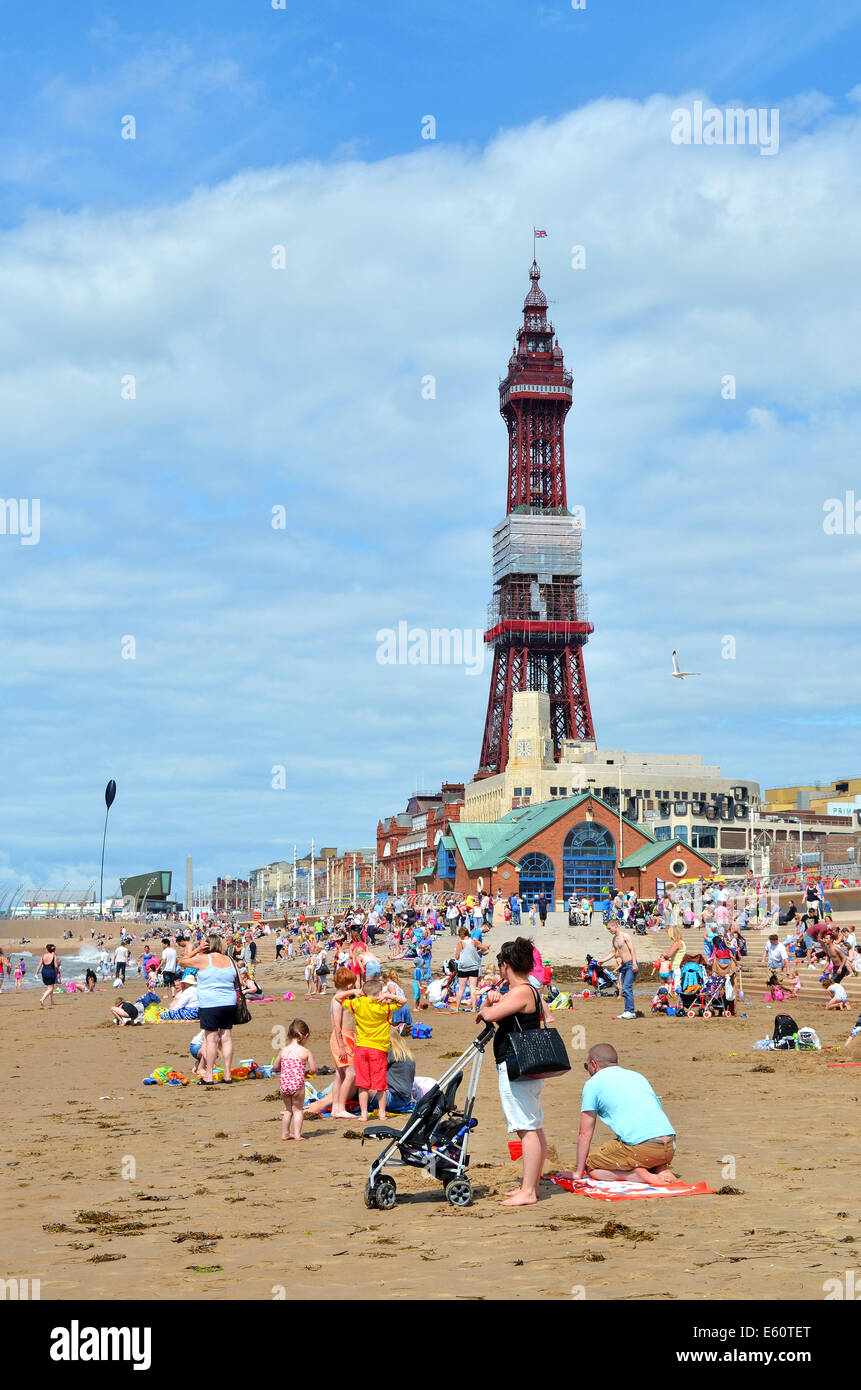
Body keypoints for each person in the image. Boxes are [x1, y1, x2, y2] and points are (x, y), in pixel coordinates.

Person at [476, 937, 548, 1207]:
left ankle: (529, 1190)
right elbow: (499, 1010)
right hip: (527, 1065)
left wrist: (487, 1005)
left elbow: (490, 1015)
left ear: (506, 966)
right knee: (533, 1125)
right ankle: (532, 1185)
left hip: (517, 1064)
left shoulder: (521, 991)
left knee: (525, 1128)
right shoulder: (526, 990)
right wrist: (494, 1000)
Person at [574, 1043, 677, 1186]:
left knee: (592, 1165)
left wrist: (578, 1172)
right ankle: (661, 1169)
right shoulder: (637, 1076)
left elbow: (584, 1134)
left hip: (643, 1148)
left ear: (594, 1064)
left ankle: (636, 1175)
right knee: (636, 1141)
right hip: (669, 1146)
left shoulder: (593, 1084)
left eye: (587, 1067)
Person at [178, 934, 239, 1084]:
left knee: (211, 1039)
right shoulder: (230, 960)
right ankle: (227, 1074)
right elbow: (238, 981)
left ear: (207, 945)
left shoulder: (204, 959)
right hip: (229, 1002)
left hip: (210, 1003)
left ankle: (209, 1075)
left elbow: (182, 962)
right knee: (226, 1037)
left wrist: (197, 949)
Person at [340, 974, 397, 1122]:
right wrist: (388, 995)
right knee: (380, 1084)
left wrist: (353, 992)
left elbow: (338, 998)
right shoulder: (384, 1006)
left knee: (363, 1084)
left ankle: (364, 1114)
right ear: (379, 993)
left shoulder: (358, 1003)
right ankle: (382, 1113)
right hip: (378, 1048)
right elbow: (403, 1001)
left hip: (362, 1047)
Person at [273, 1020, 316, 1140]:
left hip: (285, 1083)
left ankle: (285, 1134)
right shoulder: (305, 1052)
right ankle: (297, 1135)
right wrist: (306, 1073)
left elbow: (275, 1067)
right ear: (306, 1036)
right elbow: (313, 1069)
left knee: (288, 1110)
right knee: (298, 1110)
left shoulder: (283, 1050)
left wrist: (286, 1068)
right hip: (297, 1084)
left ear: (289, 1035)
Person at [327, 968, 359, 1117]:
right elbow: (336, 1026)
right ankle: (340, 1108)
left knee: (340, 1075)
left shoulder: (345, 998)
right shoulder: (337, 1000)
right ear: (348, 985)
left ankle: (335, 1108)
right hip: (342, 1038)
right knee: (351, 1074)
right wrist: (341, 1046)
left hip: (349, 1037)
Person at [367, 1033, 416, 1114]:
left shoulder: (391, 1052)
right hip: (406, 1100)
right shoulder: (406, 1054)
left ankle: (341, 1105)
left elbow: (372, 1069)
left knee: (360, 1082)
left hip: (392, 1099)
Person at [599, 920, 638, 1019]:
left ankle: (631, 1011)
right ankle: (627, 1011)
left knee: (626, 987)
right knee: (623, 988)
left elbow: (632, 950)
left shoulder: (625, 936)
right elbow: (612, 953)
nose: (609, 930)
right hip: (624, 965)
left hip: (630, 964)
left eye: (609, 928)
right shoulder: (614, 939)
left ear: (615, 926)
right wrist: (602, 960)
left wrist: (634, 963)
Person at [454, 925, 488, 1012]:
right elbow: (484, 948)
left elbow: (457, 957)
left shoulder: (460, 943)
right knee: (473, 988)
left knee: (461, 988)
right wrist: (480, 950)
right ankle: (473, 1008)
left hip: (463, 968)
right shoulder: (474, 941)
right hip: (473, 967)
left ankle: (457, 1008)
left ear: (460, 934)